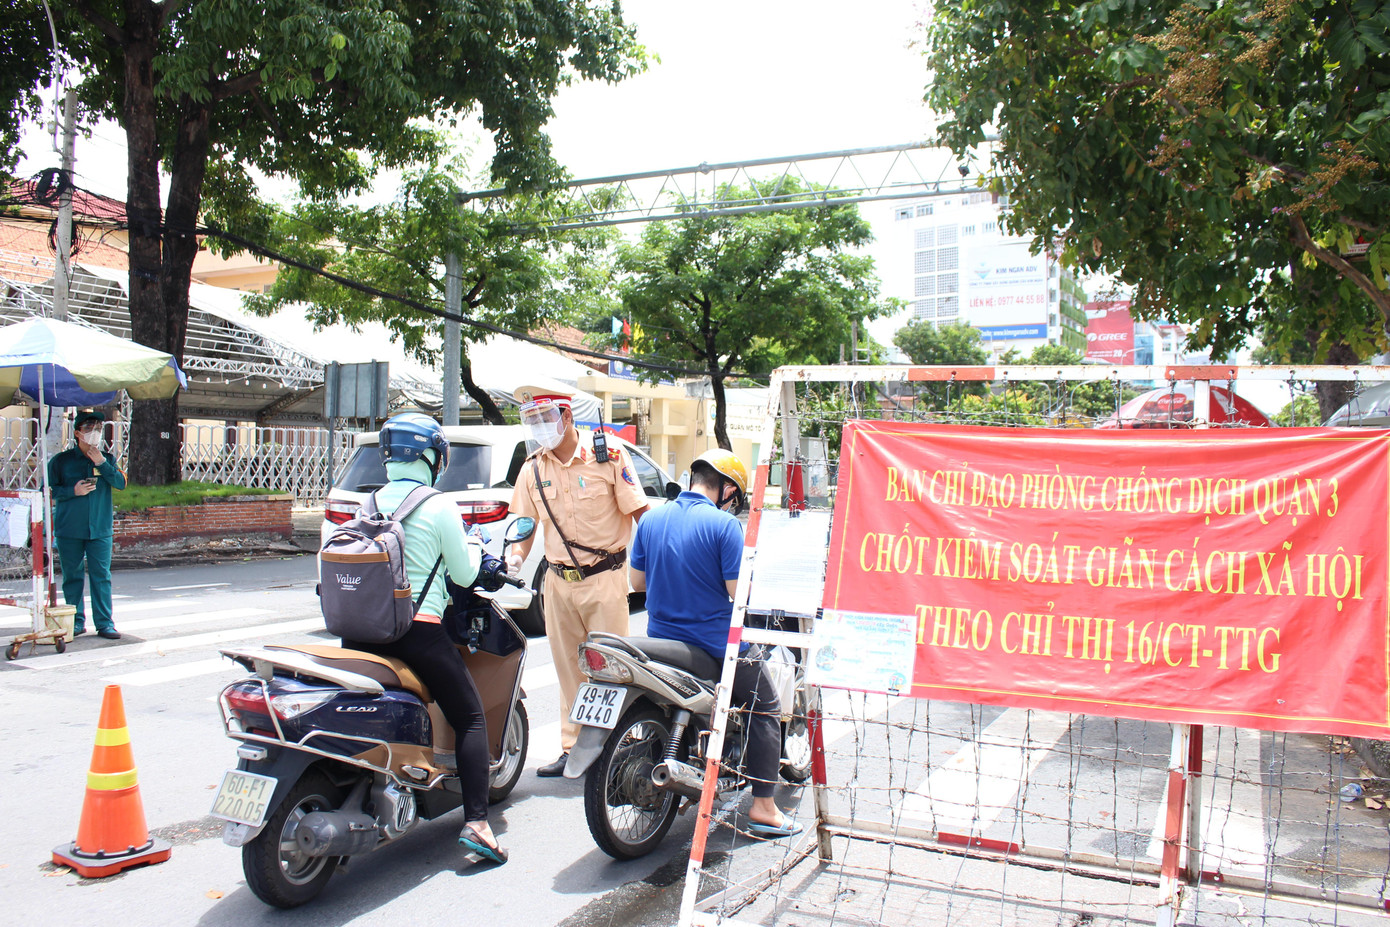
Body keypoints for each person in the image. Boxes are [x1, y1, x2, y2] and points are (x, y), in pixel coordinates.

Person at [338, 412, 509, 864]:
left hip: (360, 637)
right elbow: (465, 574)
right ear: (433, 456)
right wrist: (476, 550)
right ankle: (476, 823)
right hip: (418, 635)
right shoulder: (437, 506)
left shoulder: (369, 504)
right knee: (472, 718)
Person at [629, 449, 801, 839]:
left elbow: (637, 584)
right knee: (766, 706)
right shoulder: (724, 527)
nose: (732, 502)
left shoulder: (651, 519)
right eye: (734, 495)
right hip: (715, 647)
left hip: (662, 642)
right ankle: (763, 807)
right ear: (725, 488)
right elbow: (736, 593)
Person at [507, 385, 649, 777]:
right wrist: (516, 554)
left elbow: (640, 513)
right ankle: (573, 748)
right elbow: (524, 523)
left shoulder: (610, 455)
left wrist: (660, 560)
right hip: (557, 584)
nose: (539, 428)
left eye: (545, 418)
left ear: (567, 417)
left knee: (612, 668)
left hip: (605, 579)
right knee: (569, 668)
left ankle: (621, 748)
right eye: (531, 420)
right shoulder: (532, 467)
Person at [48, 410, 126, 640]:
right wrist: (73, 491)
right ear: (77, 433)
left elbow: (120, 483)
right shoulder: (61, 462)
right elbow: (49, 491)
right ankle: (75, 621)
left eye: (99, 429)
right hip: (70, 529)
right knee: (72, 576)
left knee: (101, 575)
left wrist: (101, 463)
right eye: (89, 428)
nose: (94, 433)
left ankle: (104, 623)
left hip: (100, 529)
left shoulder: (107, 459)